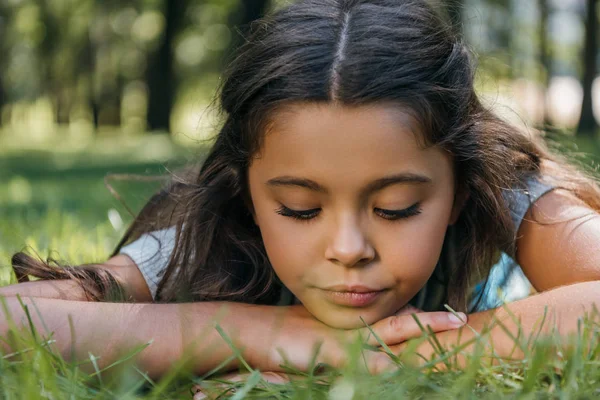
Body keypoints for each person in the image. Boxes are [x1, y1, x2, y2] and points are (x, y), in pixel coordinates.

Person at [3, 0, 600, 391]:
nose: (348, 248)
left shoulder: (510, 193)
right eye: (299, 209)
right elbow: (13, 321)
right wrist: (281, 333)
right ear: (248, 198)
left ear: (461, 192)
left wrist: (428, 351)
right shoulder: (209, 232)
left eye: (395, 207)